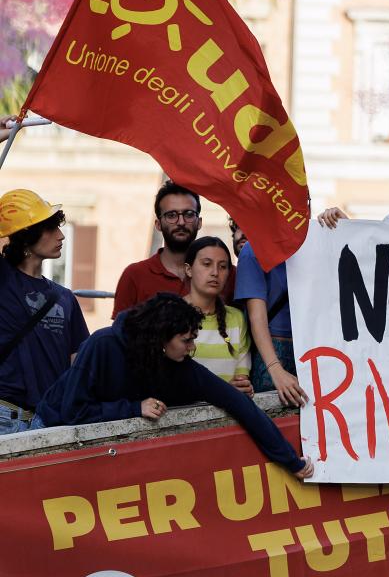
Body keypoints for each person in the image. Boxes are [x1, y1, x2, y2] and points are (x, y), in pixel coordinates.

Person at [34, 294, 312, 478]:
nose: (191, 348)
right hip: (49, 432)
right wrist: (134, 408)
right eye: (186, 340)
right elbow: (73, 412)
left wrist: (290, 460)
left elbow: (238, 403)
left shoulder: (181, 366)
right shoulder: (102, 344)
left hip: (100, 448)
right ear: (160, 338)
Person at [0, 190, 89, 434]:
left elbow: (79, 363)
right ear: (26, 235)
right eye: (51, 228)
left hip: (50, 419)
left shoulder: (65, 297)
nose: (61, 235)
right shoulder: (3, 279)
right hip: (5, 417)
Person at [113, 182, 235, 315]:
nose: (181, 222)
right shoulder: (135, 275)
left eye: (189, 214)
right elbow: (121, 328)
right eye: (171, 215)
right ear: (158, 224)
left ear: (199, 222)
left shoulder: (226, 273)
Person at [235, 239, 304, 407]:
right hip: (272, 350)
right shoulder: (253, 249)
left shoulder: (318, 243)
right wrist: (275, 368)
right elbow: (257, 317)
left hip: (316, 347)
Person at [183, 236, 252, 393]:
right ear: (188, 269)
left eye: (222, 267)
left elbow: (242, 380)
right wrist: (222, 391)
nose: (215, 272)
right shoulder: (169, 315)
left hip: (229, 407)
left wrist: (240, 387)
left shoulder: (236, 318)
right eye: (207, 264)